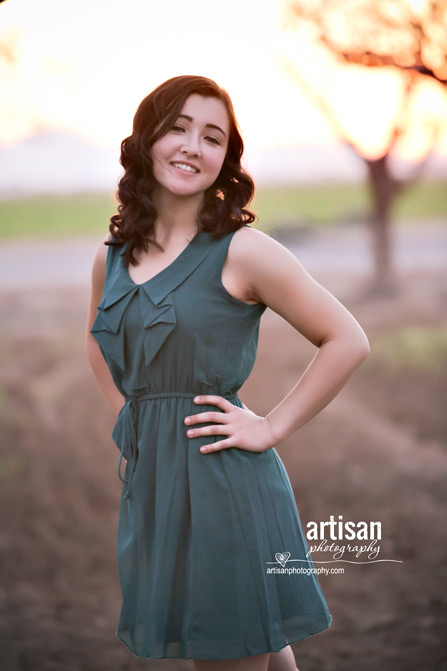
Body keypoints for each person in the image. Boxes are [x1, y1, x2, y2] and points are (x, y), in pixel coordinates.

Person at [85, 74, 370, 671]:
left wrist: (268, 427)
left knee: (230, 651)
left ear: (225, 160)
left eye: (212, 137)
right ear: (146, 139)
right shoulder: (110, 257)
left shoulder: (244, 251)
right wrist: (133, 423)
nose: (193, 145)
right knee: (262, 650)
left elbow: (346, 339)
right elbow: (98, 345)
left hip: (225, 488)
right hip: (157, 488)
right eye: (178, 128)